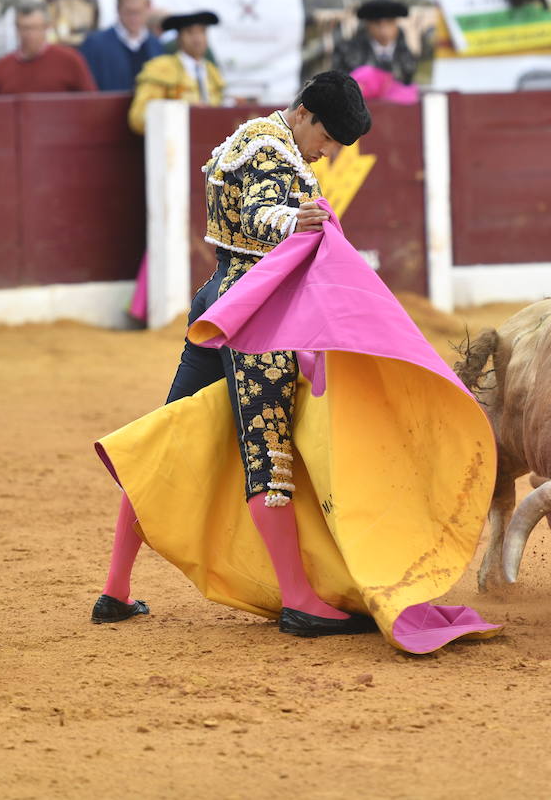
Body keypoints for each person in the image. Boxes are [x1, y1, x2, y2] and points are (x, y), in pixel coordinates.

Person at [92, 70, 376, 638]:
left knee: (168, 440)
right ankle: (299, 600)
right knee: (268, 455)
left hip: (218, 302)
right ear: (305, 114)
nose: (330, 152)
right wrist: (293, 219)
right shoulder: (271, 156)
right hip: (257, 317)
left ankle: (115, 590)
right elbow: (259, 211)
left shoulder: (251, 138)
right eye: (329, 139)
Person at [127, 10, 223, 133]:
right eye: (190, 33)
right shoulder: (161, 68)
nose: (197, 39)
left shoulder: (212, 71)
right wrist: (183, 112)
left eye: (202, 32)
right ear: (179, 38)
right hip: (172, 146)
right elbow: (139, 118)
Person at [0, 1, 97, 95]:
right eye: (23, 28)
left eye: (34, 28)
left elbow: (89, 102)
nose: (28, 34)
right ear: (16, 28)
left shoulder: (70, 60)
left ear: (46, 27)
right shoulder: (1, 67)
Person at [79, 0, 163, 93]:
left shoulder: (155, 44)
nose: (134, 18)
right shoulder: (96, 44)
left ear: (148, 10)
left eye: (139, 12)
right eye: (128, 12)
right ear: (118, 10)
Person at [331, 0, 418, 85]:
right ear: (368, 25)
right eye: (377, 23)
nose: (383, 29)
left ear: (396, 23)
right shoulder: (345, 51)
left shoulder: (406, 52)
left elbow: (408, 81)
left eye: (389, 22)